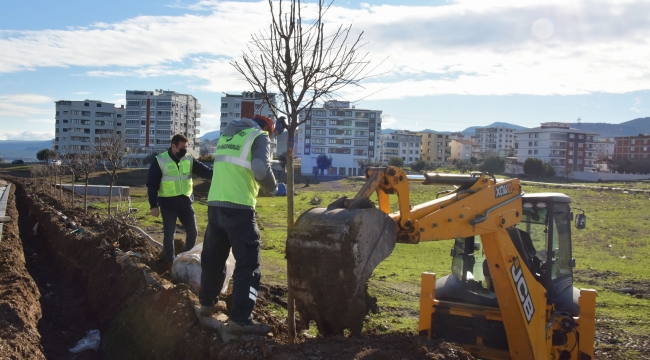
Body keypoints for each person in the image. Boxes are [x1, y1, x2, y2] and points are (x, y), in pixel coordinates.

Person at [199, 115, 286, 336]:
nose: (271, 138)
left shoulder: (226, 136)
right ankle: (240, 319)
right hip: (239, 208)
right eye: (272, 134)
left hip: (215, 205)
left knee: (214, 259)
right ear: (267, 128)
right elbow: (259, 168)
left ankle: (206, 305)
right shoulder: (259, 136)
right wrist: (275, 189)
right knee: (248, 264)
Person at [146, 134, 213, 265]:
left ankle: (186, 259)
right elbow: (152, 184)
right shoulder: (160, 161)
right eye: (182, 147)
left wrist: (219, 173)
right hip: (168, 204)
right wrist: (153, 205)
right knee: (169, 235)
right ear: (174, 146)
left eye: (186, 147)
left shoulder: (188, 159)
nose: (185, 150)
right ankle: (170, 263)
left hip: (186, 203)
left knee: (193, 232)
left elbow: (204, 171)